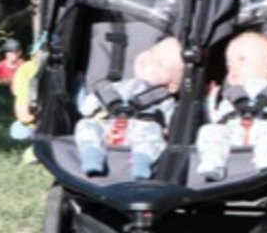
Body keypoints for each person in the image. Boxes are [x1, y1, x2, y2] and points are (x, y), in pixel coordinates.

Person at [196, 31, 267, 181]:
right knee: (210, 130)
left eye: (242, 59)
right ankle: (213, 163)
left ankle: (265, 158)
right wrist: (209, 100)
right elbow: (218, 118)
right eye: (229, 65)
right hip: (233, 137)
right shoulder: (233, 95)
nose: (233, 67)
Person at [74, 36, 184, 180]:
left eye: (160, 63)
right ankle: (92, 155)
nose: (148, 59)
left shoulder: (165, 99)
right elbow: (98, 98)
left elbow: (173, 120)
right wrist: (87, 105)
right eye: (152, 51)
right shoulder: (122, 85)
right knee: (86, 125)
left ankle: (141, 163)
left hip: (141, 130)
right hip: (109, 124)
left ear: (173, 85)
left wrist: (169, 129)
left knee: (153, 135)